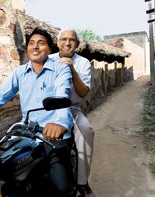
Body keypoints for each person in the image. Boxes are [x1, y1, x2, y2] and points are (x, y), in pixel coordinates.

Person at [0, 27, 74, 196]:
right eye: (31, 43)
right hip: (26, 133)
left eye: (41, 43)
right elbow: (0, 94)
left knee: (62, 188)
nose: (35, 47)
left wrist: (60, 123)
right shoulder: (19, 72)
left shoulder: (61, 69)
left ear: (50, 49)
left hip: (52, 134)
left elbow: (62, 94)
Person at [49, 28, 95, 197]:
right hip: (49, 109)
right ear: (57, 42)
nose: (67, 43)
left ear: (77, 44)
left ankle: (82, 183)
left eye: (72, 40)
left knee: (86, 130)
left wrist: (72, 70)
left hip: (72, 110)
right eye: (64, 39)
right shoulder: (48, 59)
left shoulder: (83, 62)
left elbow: (83, 92)